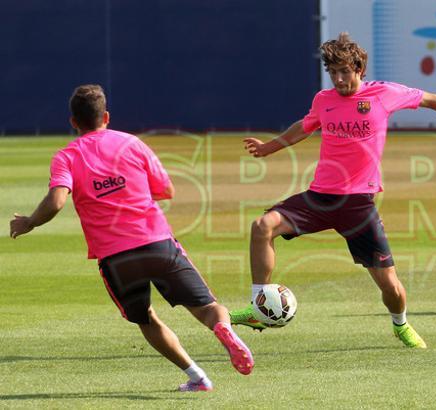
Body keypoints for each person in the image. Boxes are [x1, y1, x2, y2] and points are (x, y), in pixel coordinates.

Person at [230, 33, 436, 348]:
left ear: (359, 70)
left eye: (345, 72)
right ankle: (259, 304)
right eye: (333, 73)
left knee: (391, 288)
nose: (339, 79)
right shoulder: (323, 100)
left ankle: (401, 324)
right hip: (320, 197)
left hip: (358, 206)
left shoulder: (384, 94)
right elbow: (305, 126)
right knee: (262, 226)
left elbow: (433, 100)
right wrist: (269, 147)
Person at [9, 84, 254, 391]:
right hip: (157, 242)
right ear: (106, 116)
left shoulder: (66, 156)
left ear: (73, 121)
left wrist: (30, 222)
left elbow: (57, 201)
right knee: (207, 308)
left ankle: (198, 377)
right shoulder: (131, 144)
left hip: (116, 258)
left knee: (146, 319)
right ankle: (223, 329)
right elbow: (167, 190)